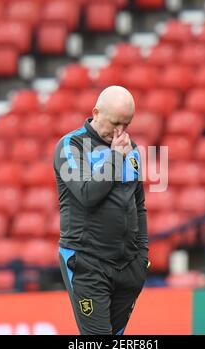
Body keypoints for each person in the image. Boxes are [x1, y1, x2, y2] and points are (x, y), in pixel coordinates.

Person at [54, 86, 149, 335]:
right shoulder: (71, 146)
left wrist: (142, 256)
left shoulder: (133, 151)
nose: (120, 132)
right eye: (115, 123)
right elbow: (87, 194)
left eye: (126, 125)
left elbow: (138, 206)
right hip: (88, 263)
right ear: (96, 113)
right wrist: (116, 157)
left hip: (127, 265)